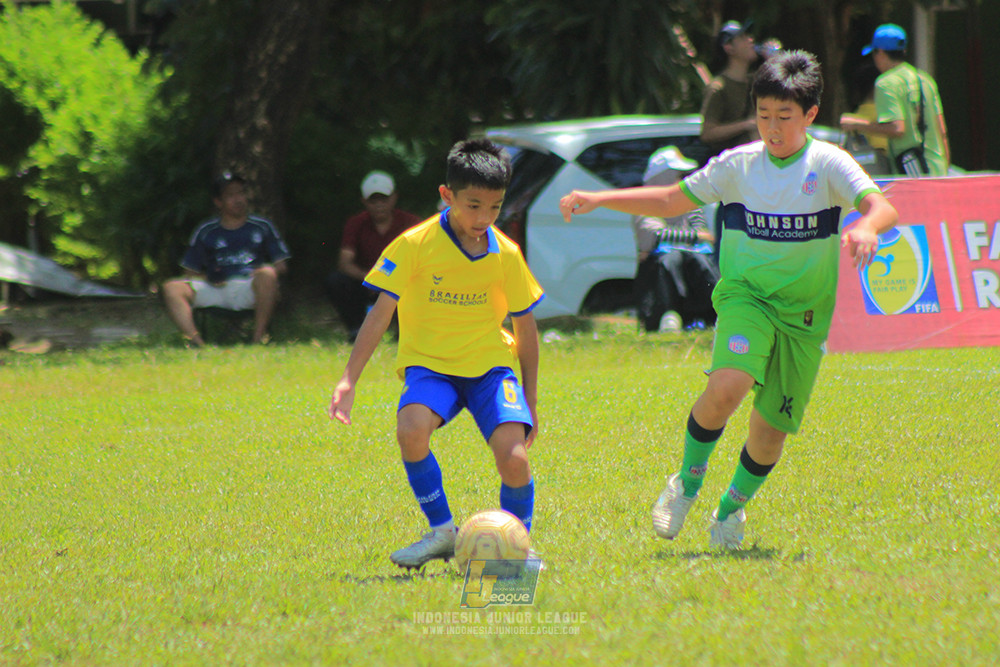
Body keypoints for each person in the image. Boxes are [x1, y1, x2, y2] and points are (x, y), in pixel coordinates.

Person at [560, 51, 898, 549]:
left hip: (804, 317)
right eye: (764, 115)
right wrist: (599, 199)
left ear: (809, 115)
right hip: (747, 298)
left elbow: (881, 206)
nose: (773, 127)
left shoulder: (828, 163)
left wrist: (867, 226)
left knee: (770, 432)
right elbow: (672, 200)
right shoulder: (739, 165)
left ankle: (729, 512)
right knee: (728, 387)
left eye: (785, 116)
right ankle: (686, 485)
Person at [328, 139, 545, 569]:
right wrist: (348, 378)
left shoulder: (506, 254)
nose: (483, 219)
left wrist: (531, 399)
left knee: (515, 459)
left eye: (495, 207)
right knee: (410, 429)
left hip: (490, 368)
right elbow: (378, 316)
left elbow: (526, 328)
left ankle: (516, 548)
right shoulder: (414, 244)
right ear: (447, 196)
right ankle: (443, 532)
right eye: (473, 205)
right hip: (431, 367)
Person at [162, 172, 291, 346]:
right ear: (218, 202)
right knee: (171, 288)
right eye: (230, 195)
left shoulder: (262, 226)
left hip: (249, 285)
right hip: (217, 287)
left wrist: (265, 270)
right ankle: (198, 344)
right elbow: (189, 272)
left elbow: (281, 265)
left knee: (268, 275)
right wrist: (208, 278)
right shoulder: (206, 231)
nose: (238, 199)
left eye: (241, 193)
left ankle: (257, 340)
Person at [839, 23, 950, 177]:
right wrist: (945, 168)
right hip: (937, 168)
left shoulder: (886, 83)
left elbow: (897, 129)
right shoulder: (924, 79)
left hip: (912, 172)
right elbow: (941, 130)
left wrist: (855, 123)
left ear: (880, 53)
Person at [326, 171, 421, 342]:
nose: (379, 205)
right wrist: (370, 278)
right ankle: (356, 330)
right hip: (365, 280)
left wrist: (389, 281)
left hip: (401, 281)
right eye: (373, 200)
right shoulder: (356, 223)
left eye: (384, 199)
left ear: (394, 198)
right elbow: (345, 261)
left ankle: (406, 331)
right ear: (364, 202)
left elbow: (421, 259)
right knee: (336, 281)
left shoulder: (410, 223)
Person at [632, 146, 718, 332]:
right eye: (678, 175)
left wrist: (690, 237)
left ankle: (717, 314)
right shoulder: (644, 203)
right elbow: (652, 236)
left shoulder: (689, 203)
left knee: (699, 260)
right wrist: (693, 237)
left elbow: (705, 235)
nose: (682, 180)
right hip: (658, 272)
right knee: (669, 259)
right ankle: (668, 315)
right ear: (664, 178)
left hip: (691, 263)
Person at [700, 21, 760, 263]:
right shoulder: (718, 88)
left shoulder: (755, 82)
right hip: (733, 181)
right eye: (743, 37)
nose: (751, 41)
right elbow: (707, 132)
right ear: (729, 47)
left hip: (757, 179)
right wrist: (746, 124)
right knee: (729, 253)